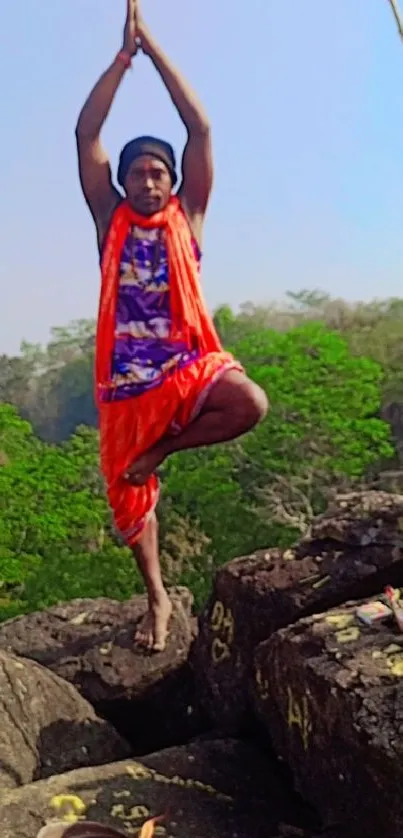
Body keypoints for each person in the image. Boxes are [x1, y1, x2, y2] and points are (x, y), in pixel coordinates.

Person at [75, 0, 268, 653]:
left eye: (158, 172)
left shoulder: (189, 217)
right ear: (122, 182)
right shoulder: (110, 222)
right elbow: (85, 135)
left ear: (173, 181)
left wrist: (154, 49)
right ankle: (156, 599)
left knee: (249, 402)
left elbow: (200, 126)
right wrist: (121, 59)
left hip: (186, 368)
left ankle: (162, 451)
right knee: (130, 503)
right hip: (127, 384)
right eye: (137, 172)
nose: (148, 180)